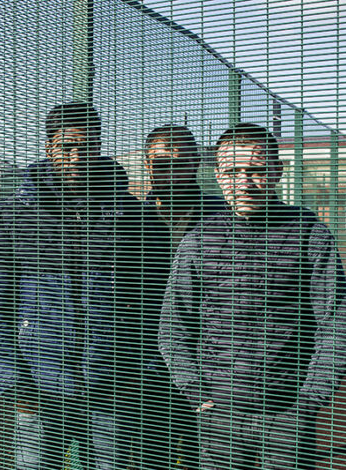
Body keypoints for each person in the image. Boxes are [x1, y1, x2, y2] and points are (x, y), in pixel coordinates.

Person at [0, 102, 167, 469]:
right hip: (40, 385)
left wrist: (139, 370)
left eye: (89, 146)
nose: (78, 156)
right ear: (49, 147)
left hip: (112, 385)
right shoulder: (14, 214)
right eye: (68, 147)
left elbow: (155, 302)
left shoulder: (132, 214)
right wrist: (14, 384)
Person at [159, 123, 346, 469]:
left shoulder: (309, 233)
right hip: (219, 419)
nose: (244, 183)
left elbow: (335, 328)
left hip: (287, 417)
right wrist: (197, 397)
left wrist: (306, 406)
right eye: (233, 171)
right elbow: (173, 329)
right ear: (218, 175)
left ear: (277, 172)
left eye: (256, 170)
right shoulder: (198, 240)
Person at [143, 124, 222, 469]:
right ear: (147, 166)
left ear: (196, 164)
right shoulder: (131, 218)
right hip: (146, 363)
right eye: (160, 163)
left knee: (202, 451)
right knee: (151, 451)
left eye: (181, 162)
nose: (171, 172)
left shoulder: (223, 215)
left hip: (208, 363)